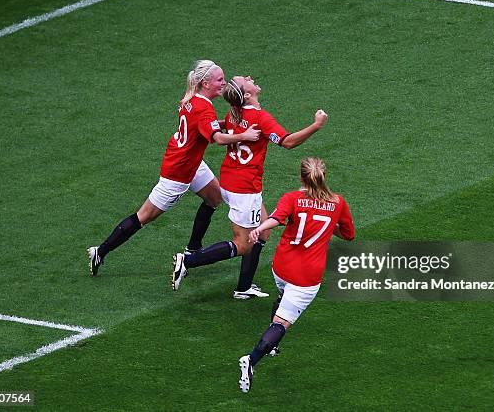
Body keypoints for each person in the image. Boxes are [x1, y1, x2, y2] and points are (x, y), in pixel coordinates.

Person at [87, 61, 260, 276]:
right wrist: (243, 135)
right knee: (144, 216)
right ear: (205, 83)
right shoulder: (204, 108)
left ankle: (193, 249)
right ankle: (100, 251)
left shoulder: (193, 99)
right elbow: (217, 138)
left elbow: (204, 126)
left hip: (190, 162)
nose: (224, 83)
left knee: (214, 198)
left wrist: (228, 123)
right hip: (178, 172)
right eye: (219, 80)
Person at [171, 76, 328, 295]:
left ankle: (244, 287)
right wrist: (316, 125)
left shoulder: (234, 113)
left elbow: (224, 126)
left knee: (263, 232)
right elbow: (288, 142)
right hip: (245, 189)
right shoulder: (259, 118)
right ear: (246, 94)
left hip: (229, 181)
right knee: (244, 243)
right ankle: (189, 261)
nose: (249, 78)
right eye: (245, 80)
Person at [237, 157, 355, 393]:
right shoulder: (338, 203)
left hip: (281, 267)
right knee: (282, 323)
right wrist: (328, 226)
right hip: (307, 277)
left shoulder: (292, 198)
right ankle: (251, 360)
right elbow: (349, 235)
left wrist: (259, 229)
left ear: (301, 178)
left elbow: (276, 218)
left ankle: (270, 348)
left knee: (283, 295)